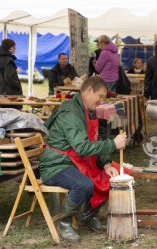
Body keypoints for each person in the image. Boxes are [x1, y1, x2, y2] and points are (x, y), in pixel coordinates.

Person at [38, 76, 128, 241]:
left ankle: (86, 217)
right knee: (84, 185)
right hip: (56, 165)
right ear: (88, 91)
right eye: (100, 96)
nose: (101, 101)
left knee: (117, 176)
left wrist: (106, 163)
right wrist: (113, 145)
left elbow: (94, 140)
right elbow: (82, 147)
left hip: (77, 161)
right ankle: (64, 223)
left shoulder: (87, 110)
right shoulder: (71, 112)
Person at [0, 39, 23, 109]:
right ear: (10, 48)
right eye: (14, 47)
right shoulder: (8, 60)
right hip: (9, 94)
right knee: (12, 115)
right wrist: (18, 86)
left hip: (2, 92)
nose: (15, 49)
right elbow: (9, 77)